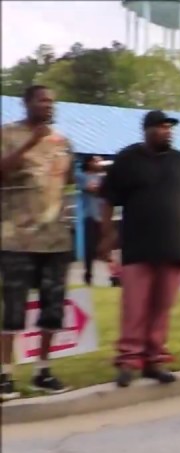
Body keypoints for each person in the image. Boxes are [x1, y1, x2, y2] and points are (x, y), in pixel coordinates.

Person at [98, 110, 180, 387]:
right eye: (162, 127)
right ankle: (128, 361)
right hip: (137, 245)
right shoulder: (127, 159)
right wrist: (106, 235)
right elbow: (108, 200)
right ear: (146, 130)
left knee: (162, 306)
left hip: (173, 245)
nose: (168, 132)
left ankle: (154, 360)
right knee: (135, 306)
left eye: (170, 128)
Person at [0, 85, 74, 399]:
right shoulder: (8, 135)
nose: (49, 105)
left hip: (55, 240)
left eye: (52, 101)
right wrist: (32, 142)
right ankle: (5, 375)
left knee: (52, 310)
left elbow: (67, 182)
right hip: (17, 237)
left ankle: (43, 371)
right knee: (13, 310)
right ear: (27, 103)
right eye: (43, 100)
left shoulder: (62, 142)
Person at [76, 155, 106, 286]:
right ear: (89, 163)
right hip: (90, 216)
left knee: (109, 246)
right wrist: (102, 188)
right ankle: (88, 274)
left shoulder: (103, 177)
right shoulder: (82, 176)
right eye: (96, 161)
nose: (99, 163)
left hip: (104, 216)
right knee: (90, 248)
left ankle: (115, 275)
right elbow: (91, 188)